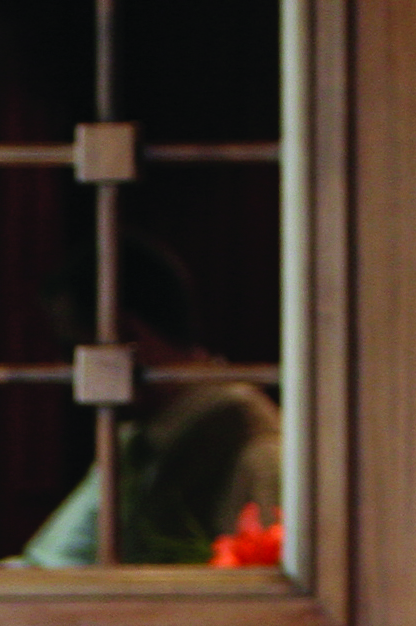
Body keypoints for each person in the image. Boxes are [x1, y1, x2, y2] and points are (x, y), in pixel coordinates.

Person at [16, 237, 281, 566]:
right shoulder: (139, 440)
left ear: (126, 335)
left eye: (72, 350)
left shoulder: (252, 446)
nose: (68, 371)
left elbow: (266, 584)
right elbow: (55, 560)